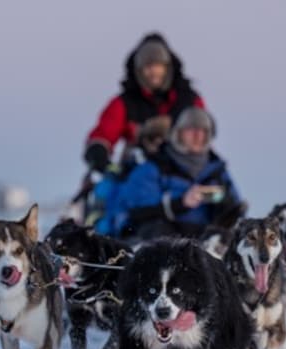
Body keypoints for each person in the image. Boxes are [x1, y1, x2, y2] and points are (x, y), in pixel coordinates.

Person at [107, 107, 246, 240]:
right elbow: (136, 209)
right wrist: (180, 203)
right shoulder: (154, 166)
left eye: (203, 131)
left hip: (204, 241)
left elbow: (236, 206)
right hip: (159, 238)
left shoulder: (217, 170)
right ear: (178, 133)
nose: (198, 135)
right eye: (191, 129)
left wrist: (225, 203)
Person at [83, 33, 205, 173]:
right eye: (147, 66)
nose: (153, 72)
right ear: (137, 70)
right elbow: (103, 134)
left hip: (184, 172)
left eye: (158, 66)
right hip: (138, 173)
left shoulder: (189, 101)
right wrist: (98, 152)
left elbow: (202, 137)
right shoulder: (124, 103)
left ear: (168, 67)